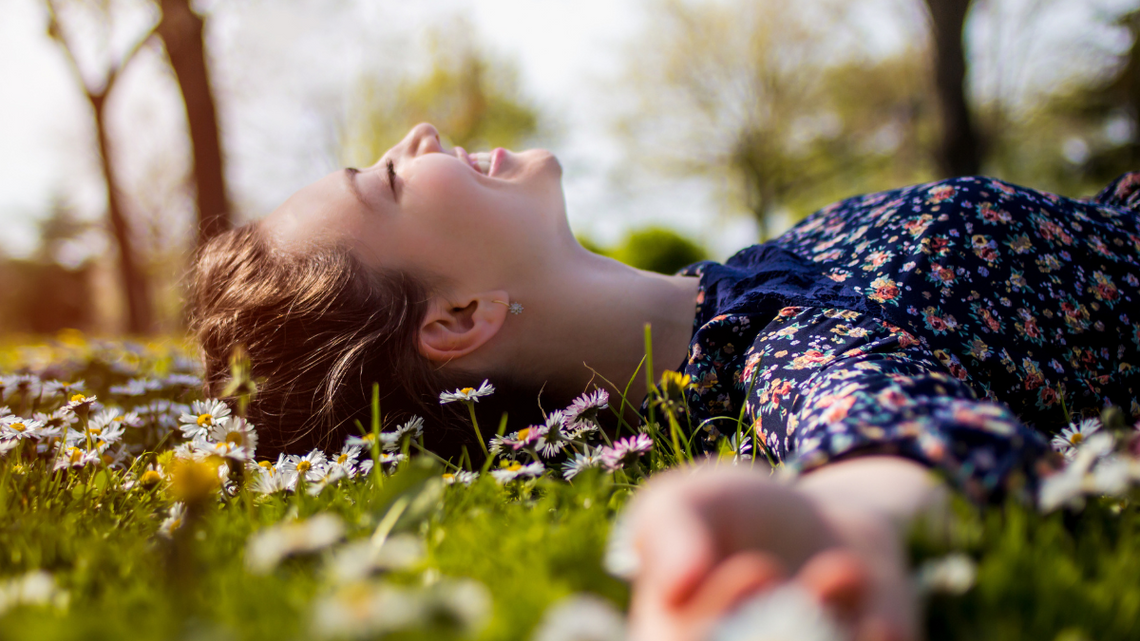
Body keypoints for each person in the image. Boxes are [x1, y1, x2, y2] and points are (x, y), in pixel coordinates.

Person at [189, 123, 1140, 641]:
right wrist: (837, 532)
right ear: (458, 319)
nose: (422, 134)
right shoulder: (782, 347)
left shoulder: (753, 279)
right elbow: (883, 436)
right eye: (388, 184)